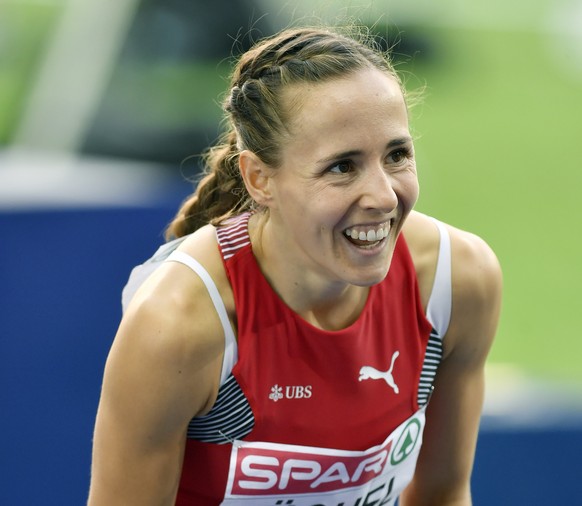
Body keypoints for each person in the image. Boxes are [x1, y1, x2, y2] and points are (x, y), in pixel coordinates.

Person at [87, 25, 502, 506]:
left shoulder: (456, 280)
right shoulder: (180, 324)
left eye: (396, 155)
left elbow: (442, 493)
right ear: (259, 179)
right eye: (342, 166)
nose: (384, 196)